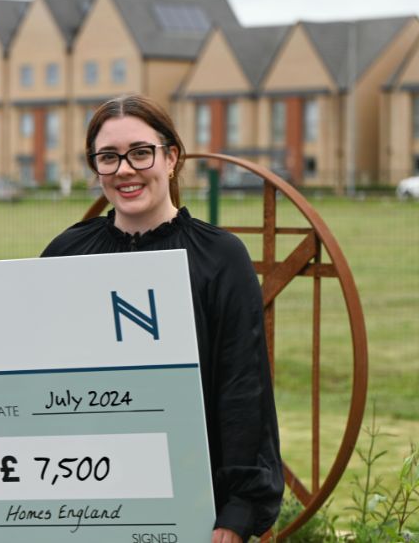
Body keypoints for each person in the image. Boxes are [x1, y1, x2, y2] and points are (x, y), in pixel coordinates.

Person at [41, 95, 283, 542]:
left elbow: (243, 387)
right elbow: (31, 371)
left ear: (171, 158)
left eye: (140, 152)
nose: (124, 170)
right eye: (108, 157)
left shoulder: (220, 257)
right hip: (88, 501)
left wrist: (238, 510)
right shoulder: (66, 253)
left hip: (193, 504)